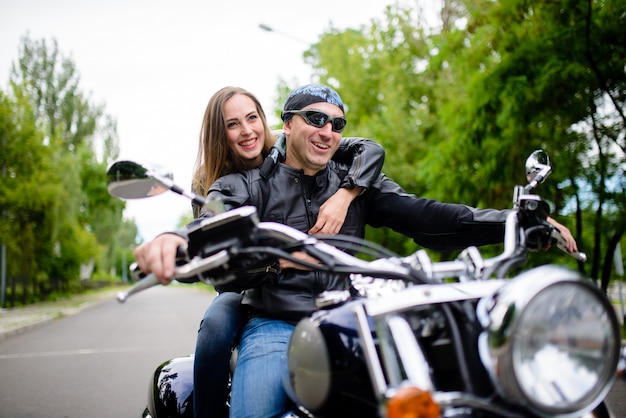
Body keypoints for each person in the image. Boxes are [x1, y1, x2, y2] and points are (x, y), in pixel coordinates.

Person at [134, 84, 577, 417]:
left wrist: (515, 221)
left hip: (350, 324)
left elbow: (432, 217)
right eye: (315, 119)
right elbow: (211, 224)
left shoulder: (356, 183)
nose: (327, 131)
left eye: (336, 123)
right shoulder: (244, 185)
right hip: (275, 324)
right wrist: (175, 242)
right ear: (287, 125)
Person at [187, 86, 386, 418]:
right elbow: (215, 254)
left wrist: (346, 194)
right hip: (253, 283)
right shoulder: (208, 182)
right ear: (218, 134)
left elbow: (369, 148)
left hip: (306, 292)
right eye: (232, 124)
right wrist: (279, 261)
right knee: (218, 320)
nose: (247, 131)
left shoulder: (288, 144)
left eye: (252, 118)